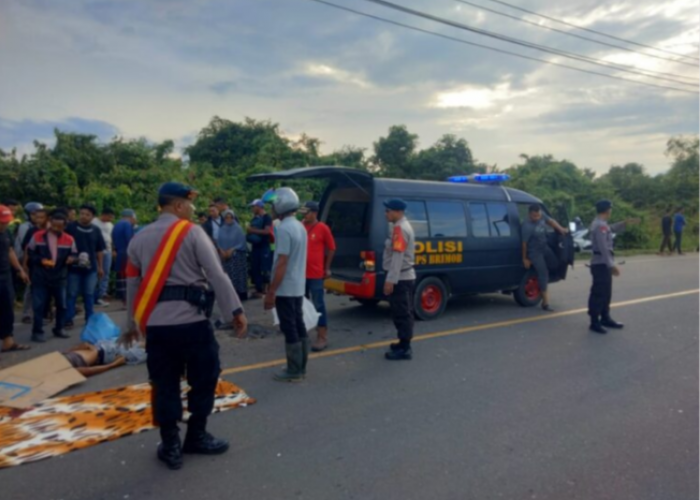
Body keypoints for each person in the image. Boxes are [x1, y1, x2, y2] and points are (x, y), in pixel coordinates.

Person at [124, 182, 248, 470]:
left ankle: (170, 446)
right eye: (190, 204)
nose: (193, 209)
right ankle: (196, 436)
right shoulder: (192, 232)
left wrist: (132, 323)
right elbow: (216, 273)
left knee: (164, 384)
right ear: (178, 205)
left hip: (157, 327)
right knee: (204, 379)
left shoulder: (138, 238)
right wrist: (235, 311)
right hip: (192, 324)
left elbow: (132, 284)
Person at [262, 188, 309, 382]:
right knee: (298, 324)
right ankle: (301, 366)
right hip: (297, 285)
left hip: (286, 287)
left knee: (289, 326)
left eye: (273, 205)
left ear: (281, 206)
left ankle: (294, 370)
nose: (271, 209)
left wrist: (272, 291)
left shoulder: (283, 229)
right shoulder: (300, 226)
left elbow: (282, 262)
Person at [26, 210, 77, 342]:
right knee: (39, 305)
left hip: (60, 276)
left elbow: (75, 254)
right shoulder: (37, 236)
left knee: (62, 304)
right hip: (40, 276)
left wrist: (72, 258)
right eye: (53, 225)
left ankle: (59, 328)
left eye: (59, 227)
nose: (56, 229)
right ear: (49, 223)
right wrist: (40, 260)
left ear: (65, 226)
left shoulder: (69, 239)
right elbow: (30, 253)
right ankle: (37, 331)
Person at [587, 200, 631, 335]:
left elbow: (610, 229)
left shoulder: (601, 224)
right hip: (601, 263)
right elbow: (603, 248)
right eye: (610, 209)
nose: (611, 211)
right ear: (607, 210)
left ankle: (605, 318)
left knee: (606, 293)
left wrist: (623, 223)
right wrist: (612, 265)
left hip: (602, 263)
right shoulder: (599, 225)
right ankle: (594, 322)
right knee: (599, 294)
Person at [382, 199, 416, 361]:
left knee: (402, 313)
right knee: (401, 311)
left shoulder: (399, 229)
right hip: (402, 276)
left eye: (388, 211)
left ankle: (405, 348)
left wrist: (390, 280)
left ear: (397, 212)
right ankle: (403, 342)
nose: (386, 213)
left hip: (401, 278)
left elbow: (397, 256)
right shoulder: (399, 226)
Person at [300, 201, 336, 352]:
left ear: (314, 213)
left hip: (315, 274)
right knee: (301, 304)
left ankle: (322, 336)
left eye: (306, 212)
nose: (304, 215)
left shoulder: (322, 228)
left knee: (318, 304)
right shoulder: (300, 226)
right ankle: (302, 332)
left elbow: (332, 248)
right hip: (300, 273)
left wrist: (326, 268)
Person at [521, 204, 568, 311]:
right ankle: (545, 303)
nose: (537, 218)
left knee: (556, 264)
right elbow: (524, 244)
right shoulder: (527, 226)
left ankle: (542, 282)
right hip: (534, 252)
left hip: (544, 248)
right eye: (534, 216)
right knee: (544, 274)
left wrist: (561, 229)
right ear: (529, 214)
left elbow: (551, 221)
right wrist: (525, 258)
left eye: (538, 215)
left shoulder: (541, 215)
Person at [65, 204, 106, 328]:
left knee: (89, 294)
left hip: (91, 268)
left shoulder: (96, 230)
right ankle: (68, 319)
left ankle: (89, 319)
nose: (84, 216)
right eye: (82, 213)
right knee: (71, 294)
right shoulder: (70, 228)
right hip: (73, 268)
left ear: (93, 217)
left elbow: (99, 250)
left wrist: (100, 267)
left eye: (87, 214)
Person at [0, 205, 31, 354]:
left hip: (5, 275)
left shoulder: (6, 233)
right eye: (1, 221)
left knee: (7, 308)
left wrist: (19, 270)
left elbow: (10, 250)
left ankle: (8, 342)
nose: (4, 224)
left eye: (6, 221)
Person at [15, 202, 44, 324]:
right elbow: (25, 247)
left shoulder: (45, 228)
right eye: (34, 214)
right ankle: (27, 313)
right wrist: (24, 264)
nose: (36, 217)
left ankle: (41, 312)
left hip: (41, 261)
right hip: (25, 259)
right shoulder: (26, 227)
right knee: (30, 287)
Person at [216, 209, 248, 301]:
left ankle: (240, 294)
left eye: (230, 217)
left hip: (237, 255)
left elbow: (242, 242)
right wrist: (222, 251)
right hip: (225, 256)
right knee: (227, 275)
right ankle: (229, 295)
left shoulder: (238, 228)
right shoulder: (221, 229)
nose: (228, 219)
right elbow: (219, 242)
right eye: (226, 217)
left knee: (238, 275)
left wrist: (232, 249)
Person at [247, 199, 273, 298]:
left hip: (264, 246)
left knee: (265, 268)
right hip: (255, 246)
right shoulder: (255, 218)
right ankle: (259, 289)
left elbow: (267, 232)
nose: (252, 209)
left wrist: (252, 230)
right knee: (255, 268)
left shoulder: (267, 218)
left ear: (259, 206)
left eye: (253, 207)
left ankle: (265, 289)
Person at [113, 209, 137, 302]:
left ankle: (122, 297)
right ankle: (128, 299)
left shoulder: (116, 225)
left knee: (121, 275)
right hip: (126, 253)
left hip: (119, 253)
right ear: (131, 217)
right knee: (128, 275)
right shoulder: (127, 225)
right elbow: (130, 240)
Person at [62, 342, 127, 377]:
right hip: (105, 353)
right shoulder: (65, 370)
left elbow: (64, 352)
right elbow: (89, 371)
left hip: (100, 347)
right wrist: (113, 364)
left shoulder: (59, 359)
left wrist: (80, 346)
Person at [92, 208, 115, 306]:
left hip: (108, 250)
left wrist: (113, 249)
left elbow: (111, 237)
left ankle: (102, 293)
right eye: (110, 217)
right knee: (96, 272)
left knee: (106, 272)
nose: (111, 219)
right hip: (97, 251)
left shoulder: (110, 225)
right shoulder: (94, 222)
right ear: (104, 215)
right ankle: (94, 296)